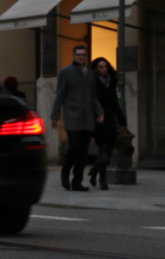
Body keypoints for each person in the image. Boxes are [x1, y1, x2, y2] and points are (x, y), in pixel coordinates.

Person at [50, 44, 104, 191]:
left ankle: (77, 181)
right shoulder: (66, 72)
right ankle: (65, 172)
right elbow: (59, 95)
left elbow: (93, 96)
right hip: (73, 117)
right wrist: (55, 116)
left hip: (88, 118)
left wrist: (100, 112)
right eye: (78, 55)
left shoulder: (91, 74)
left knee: (83, 151)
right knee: (75, 147)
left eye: (83, 55)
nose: (81, 57)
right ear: (73, 56)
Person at [87, 57, 126, 190]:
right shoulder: (92, 82)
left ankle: (95, 170)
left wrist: (122, 121)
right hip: (97, 119)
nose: (104, 69)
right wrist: (97, 114)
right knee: (103, 148)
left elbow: (115, 102)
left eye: (105, 66)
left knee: (109, 149)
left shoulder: (112, 81)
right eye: (100, 67)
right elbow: (90, 100)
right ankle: (102, 179)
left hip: (109, 119)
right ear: (95, 69)